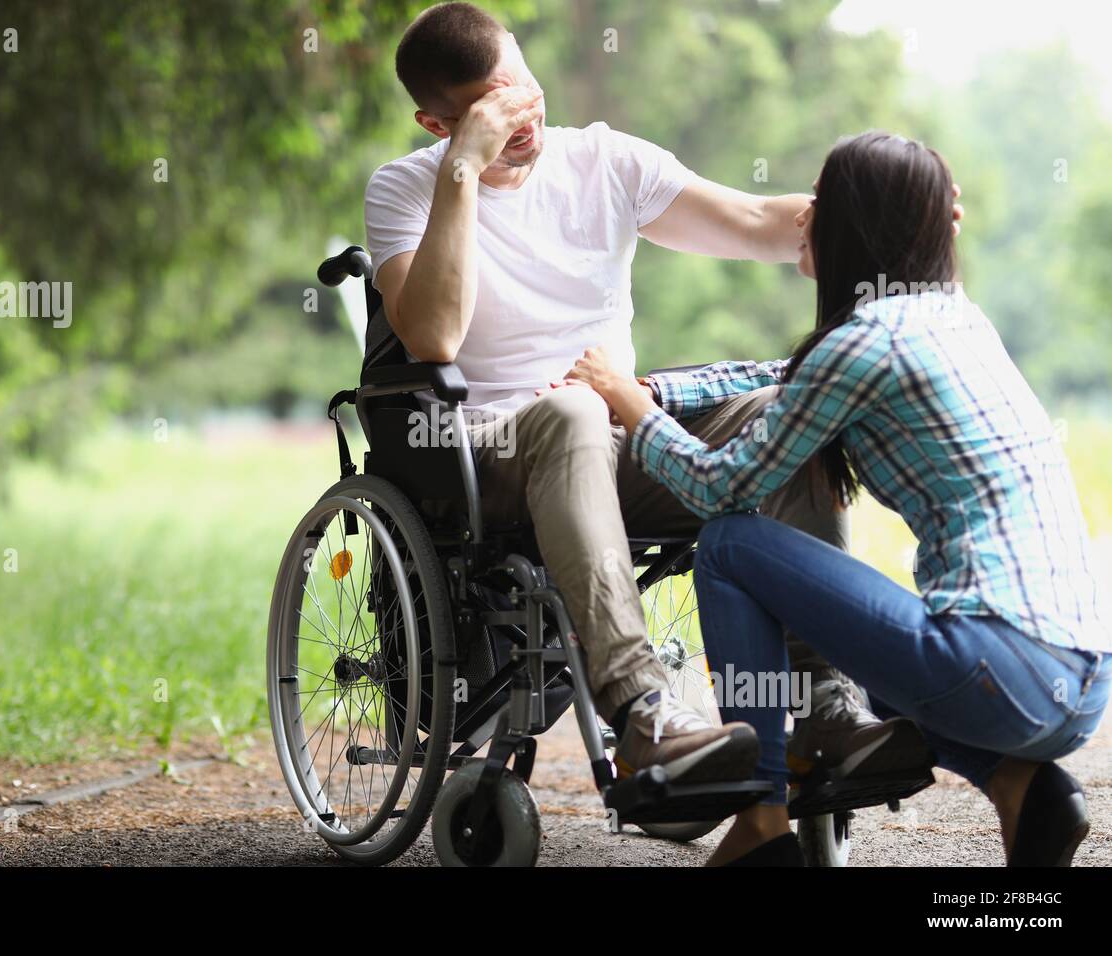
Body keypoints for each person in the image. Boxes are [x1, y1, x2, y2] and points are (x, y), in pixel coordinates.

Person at [365, 2, 956, 785]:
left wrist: (892, 218)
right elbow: (433, 336)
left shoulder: (606, 162)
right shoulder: (404, 191)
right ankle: (644, 713)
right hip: (488, 453)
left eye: (523, 89)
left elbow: (751, 221)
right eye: (488, 109)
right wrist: (464, 174)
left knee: (779, 414)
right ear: (437, 125)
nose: (520, 118)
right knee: (573, 409)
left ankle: (826, 714)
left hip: (616, 442)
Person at [565, 129, 1110, 866]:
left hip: (998, 675)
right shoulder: (949, 315)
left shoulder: (865, 346)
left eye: (820, 202)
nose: (801, 217)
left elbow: (718, 485)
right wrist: (656, 388)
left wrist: (638, 414)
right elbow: (787, 374)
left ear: (856, 225)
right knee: (882, 686)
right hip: (1077, 685)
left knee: (727, 543)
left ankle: (760, 819)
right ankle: (1019, 785)